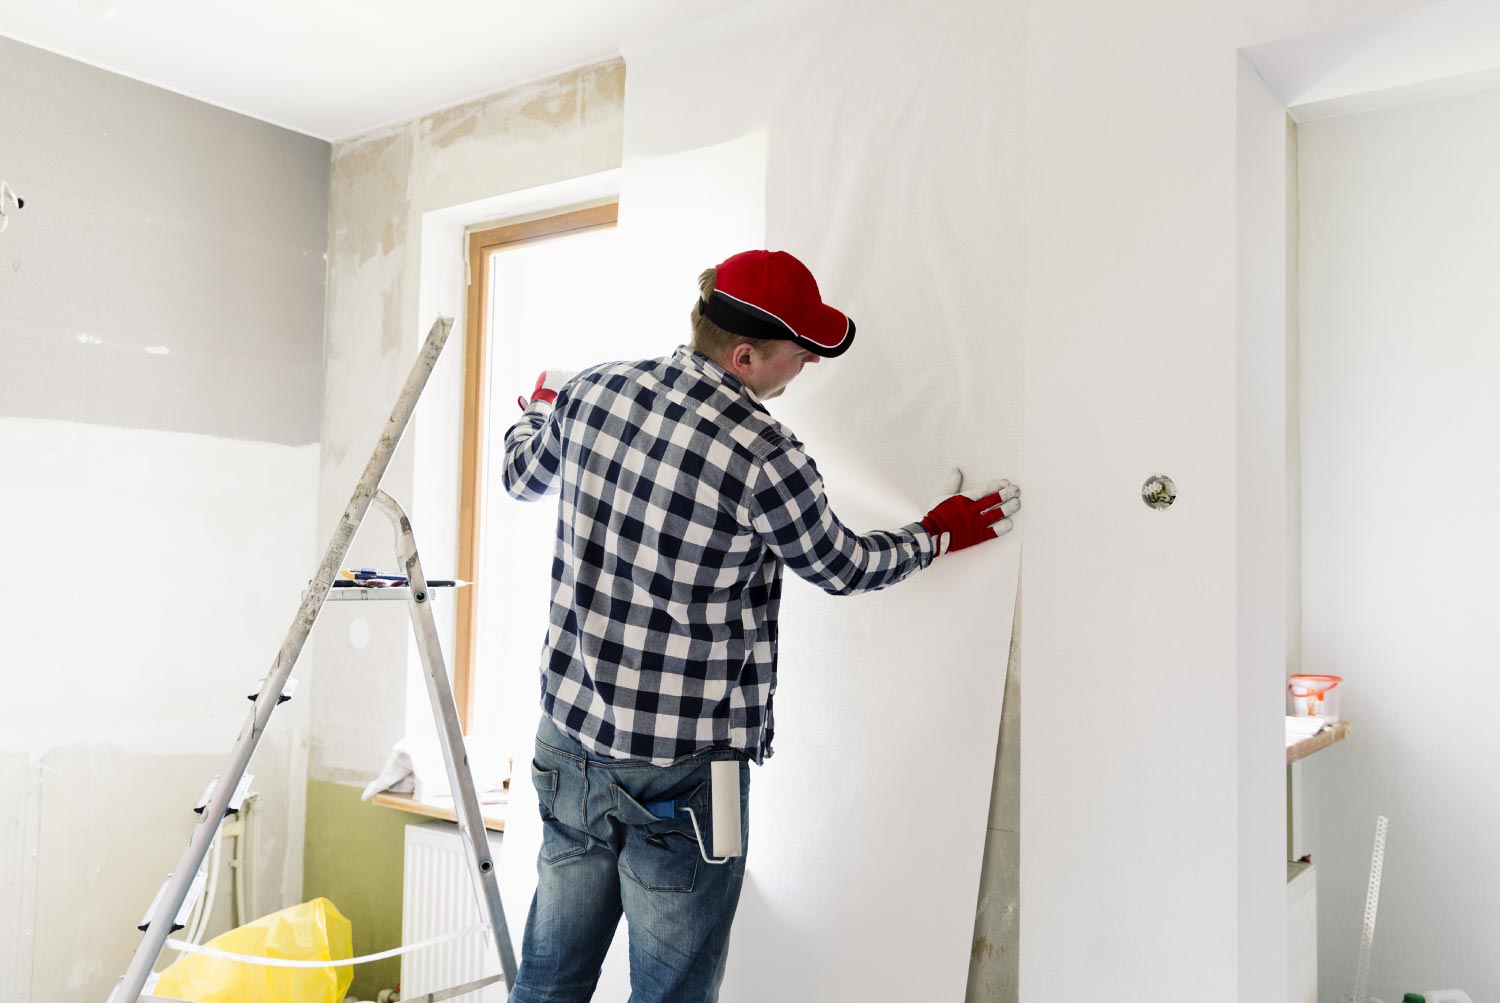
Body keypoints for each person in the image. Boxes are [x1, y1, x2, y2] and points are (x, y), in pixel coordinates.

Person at [499, 249, 1020, 1003]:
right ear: (744, 356)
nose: (808, 363)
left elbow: (520, 475)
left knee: (549, 980)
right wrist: (938, 533)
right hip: (683, 773)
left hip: (568, 744)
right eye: (798, 351)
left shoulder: (592, 392)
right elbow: (842, 566)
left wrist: (541, 408)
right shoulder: (764, 454)